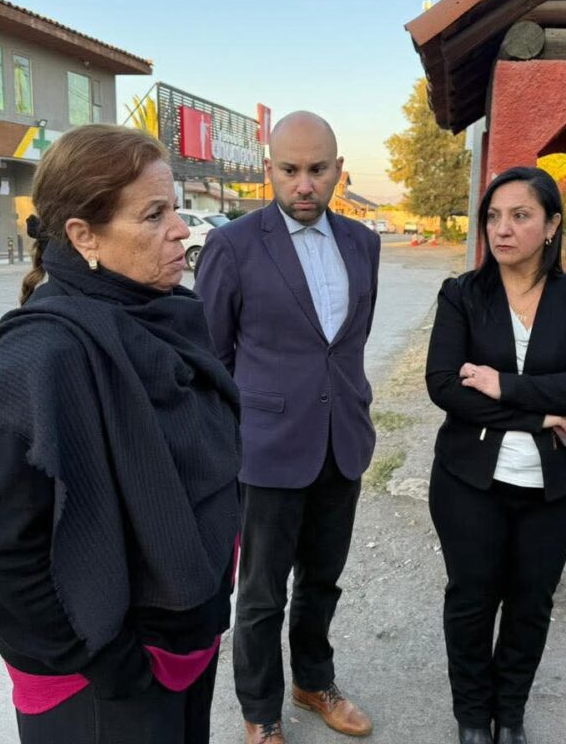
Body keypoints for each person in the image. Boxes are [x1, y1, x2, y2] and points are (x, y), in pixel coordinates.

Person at [0, 125, 240, 744]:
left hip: (183, 642)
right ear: (84, 236)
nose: (180, 229)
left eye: (175, 209)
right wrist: (107, 663)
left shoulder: (170, 320)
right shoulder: (44, 356)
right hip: (106, 689)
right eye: (154, 215)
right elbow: (0, 552)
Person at [195, 112, 379, 744]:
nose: (305, 184)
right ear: (269, 169)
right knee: (261, 594)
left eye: (318, 170)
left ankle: (313, 680)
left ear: (337, 170)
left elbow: (348, 345)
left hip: (343, 442)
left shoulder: (364, 244)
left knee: (323, 578)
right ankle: (260, 713)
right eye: (291, 170)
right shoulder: (233, 246)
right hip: (268, 450)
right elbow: (212, 358)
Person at [425, 166, 566, 744]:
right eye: (493, 216)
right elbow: (444, 386)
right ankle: (472, 720)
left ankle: (509, 716)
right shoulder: (462, 294)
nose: (501, 229)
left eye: (520, 215)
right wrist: (540, 414)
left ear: (552, 224)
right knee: (471, 599)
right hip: (468, 482)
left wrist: (503, 386)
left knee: (531, 603)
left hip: (553, 487)